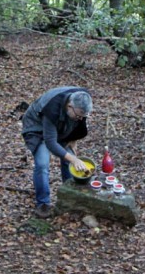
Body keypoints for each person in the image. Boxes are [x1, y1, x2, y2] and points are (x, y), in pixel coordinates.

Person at [21, 86, 93, 218]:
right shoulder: (52, 108)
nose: (80, 119)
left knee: (69, 158)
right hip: (37, 128)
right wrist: (73, 159)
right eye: (78, 116)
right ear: (69, 106)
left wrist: (73, 139)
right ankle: (43, 203)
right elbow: (50, 142)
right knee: (42, 164)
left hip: (61, 125)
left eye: (83, 116)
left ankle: (69, 193)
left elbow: (80, 122)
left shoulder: (83, 99)